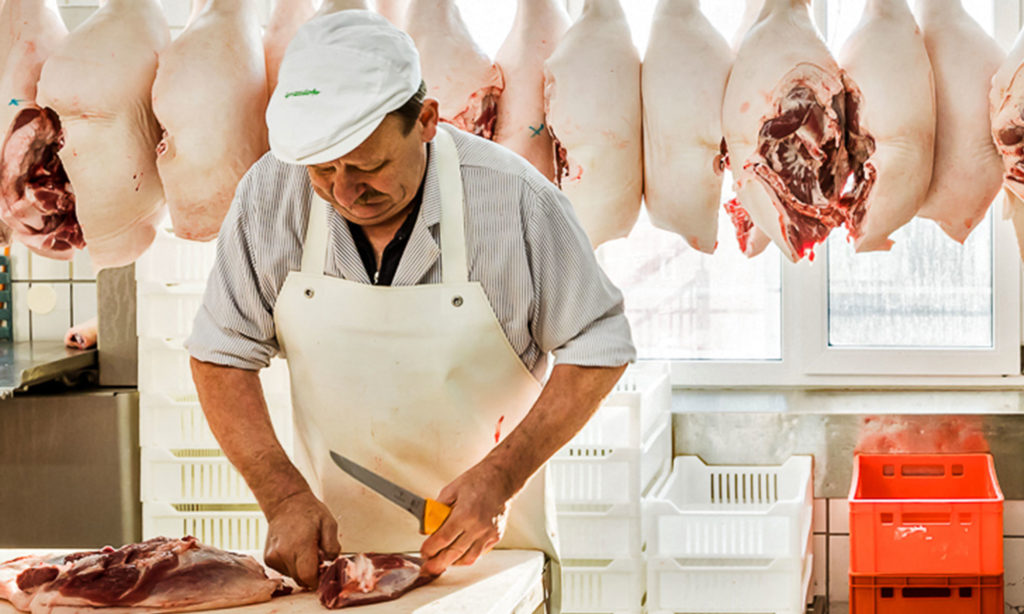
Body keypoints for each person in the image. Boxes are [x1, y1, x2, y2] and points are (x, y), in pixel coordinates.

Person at [185, 10, 635, 611]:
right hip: (333, 564)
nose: (346, 192)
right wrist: (283, 496)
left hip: (491, 559)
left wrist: (502, 476)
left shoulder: (517, 200)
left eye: (369, 166)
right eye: (324, 170)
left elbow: (599, 346)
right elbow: (220, 355)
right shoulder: (271, 193)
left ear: (426, 120)